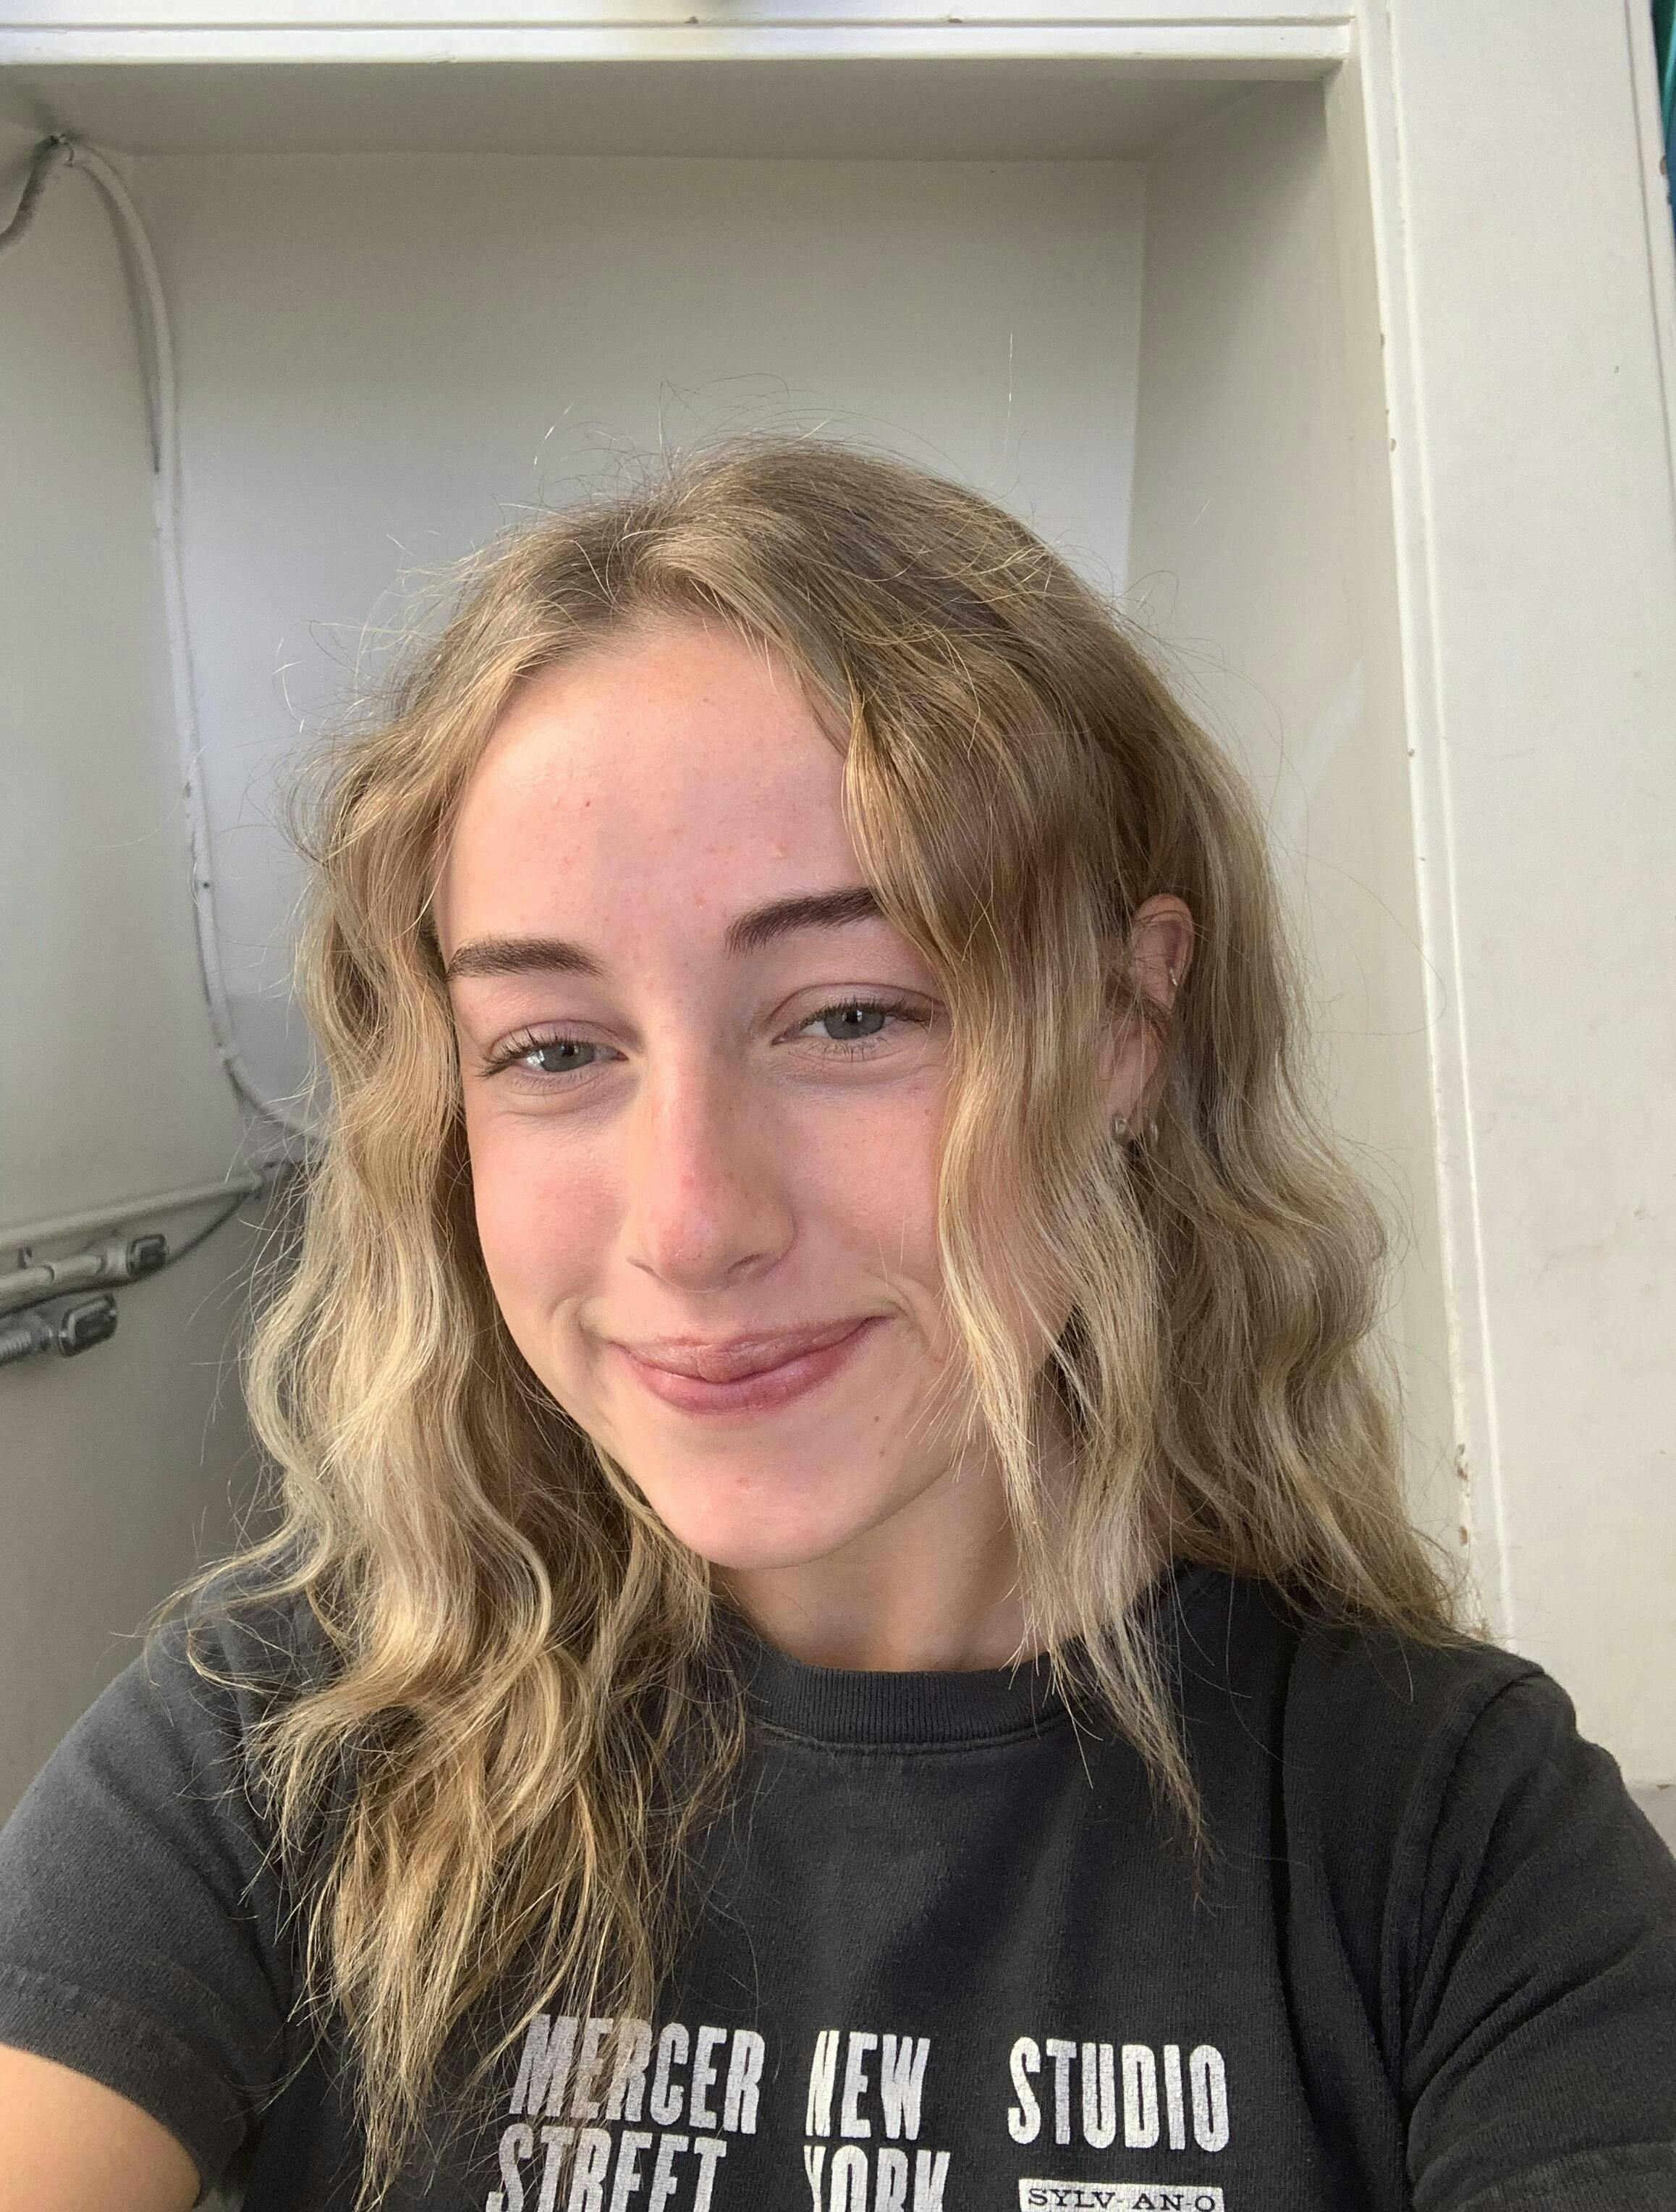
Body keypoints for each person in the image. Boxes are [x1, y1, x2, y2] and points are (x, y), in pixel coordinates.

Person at [0, 438, 1672, 2212]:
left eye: (852, 1015)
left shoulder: (1455, 1838)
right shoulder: (272, 1754)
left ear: (1124, 1021)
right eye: (553, 1048)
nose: (691, 1221)